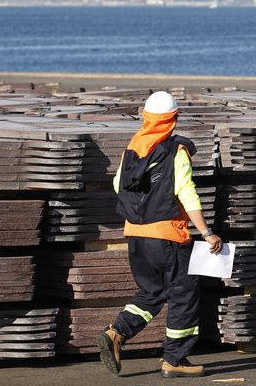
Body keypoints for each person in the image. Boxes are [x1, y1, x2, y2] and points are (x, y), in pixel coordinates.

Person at [97, 91, 222, 378]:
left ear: (146, 116)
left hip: (136, 235)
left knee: (152, 292)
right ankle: (174, 360)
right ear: (173, 119)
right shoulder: (175, 150)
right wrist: (207, 232)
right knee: (183, 294)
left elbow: (118, 184)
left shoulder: (133, 147)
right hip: (168, 236)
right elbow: (187, 194)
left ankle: (117, 332)